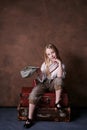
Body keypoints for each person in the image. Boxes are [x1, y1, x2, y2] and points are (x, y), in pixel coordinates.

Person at [24, 43, 65, 128]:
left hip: (54, 84)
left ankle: (57, 103)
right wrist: (39, 73)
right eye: (49, 54)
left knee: (59, 80)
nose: (51, 55)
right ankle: (29, 118)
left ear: (56, 52)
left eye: (53, 52)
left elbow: (60, 77)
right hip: (45, 83)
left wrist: (59, 63)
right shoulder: (45, 64)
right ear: (47, 55)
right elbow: (42, 79)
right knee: (34, 93)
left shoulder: (61, 64)